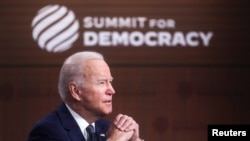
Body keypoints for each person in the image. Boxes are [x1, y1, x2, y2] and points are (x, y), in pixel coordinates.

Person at [27, 51, 143, 141]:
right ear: (76, 91)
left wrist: (134, 140)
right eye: (102, 83)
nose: (112, 90)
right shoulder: (47, 131)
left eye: (110, 82)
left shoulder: (107, 128)